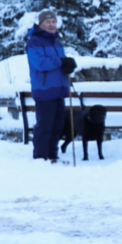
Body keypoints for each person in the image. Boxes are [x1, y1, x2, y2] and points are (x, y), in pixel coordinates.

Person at [25, 10, 75, 161]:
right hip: (44, 89)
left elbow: (60, 62)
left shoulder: (56, 42)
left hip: (58, 89)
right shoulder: (34, 42)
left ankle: (52, 155)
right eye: (48, 22)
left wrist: (68, 65)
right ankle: (40, 156)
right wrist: (61, 62)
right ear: (40, 24)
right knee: (45, 126)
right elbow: (40, 63)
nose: (52, 25)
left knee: (57, 125)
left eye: (53, 21)